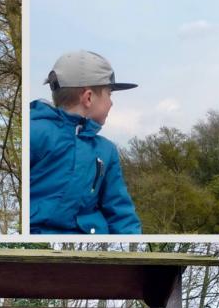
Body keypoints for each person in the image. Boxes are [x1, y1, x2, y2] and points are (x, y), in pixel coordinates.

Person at [30, 50, 142, 234]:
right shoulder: (36, 133)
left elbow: (121, 213)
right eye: (109, 94)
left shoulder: (106, 151)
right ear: (88, 97)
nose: (112, 103)